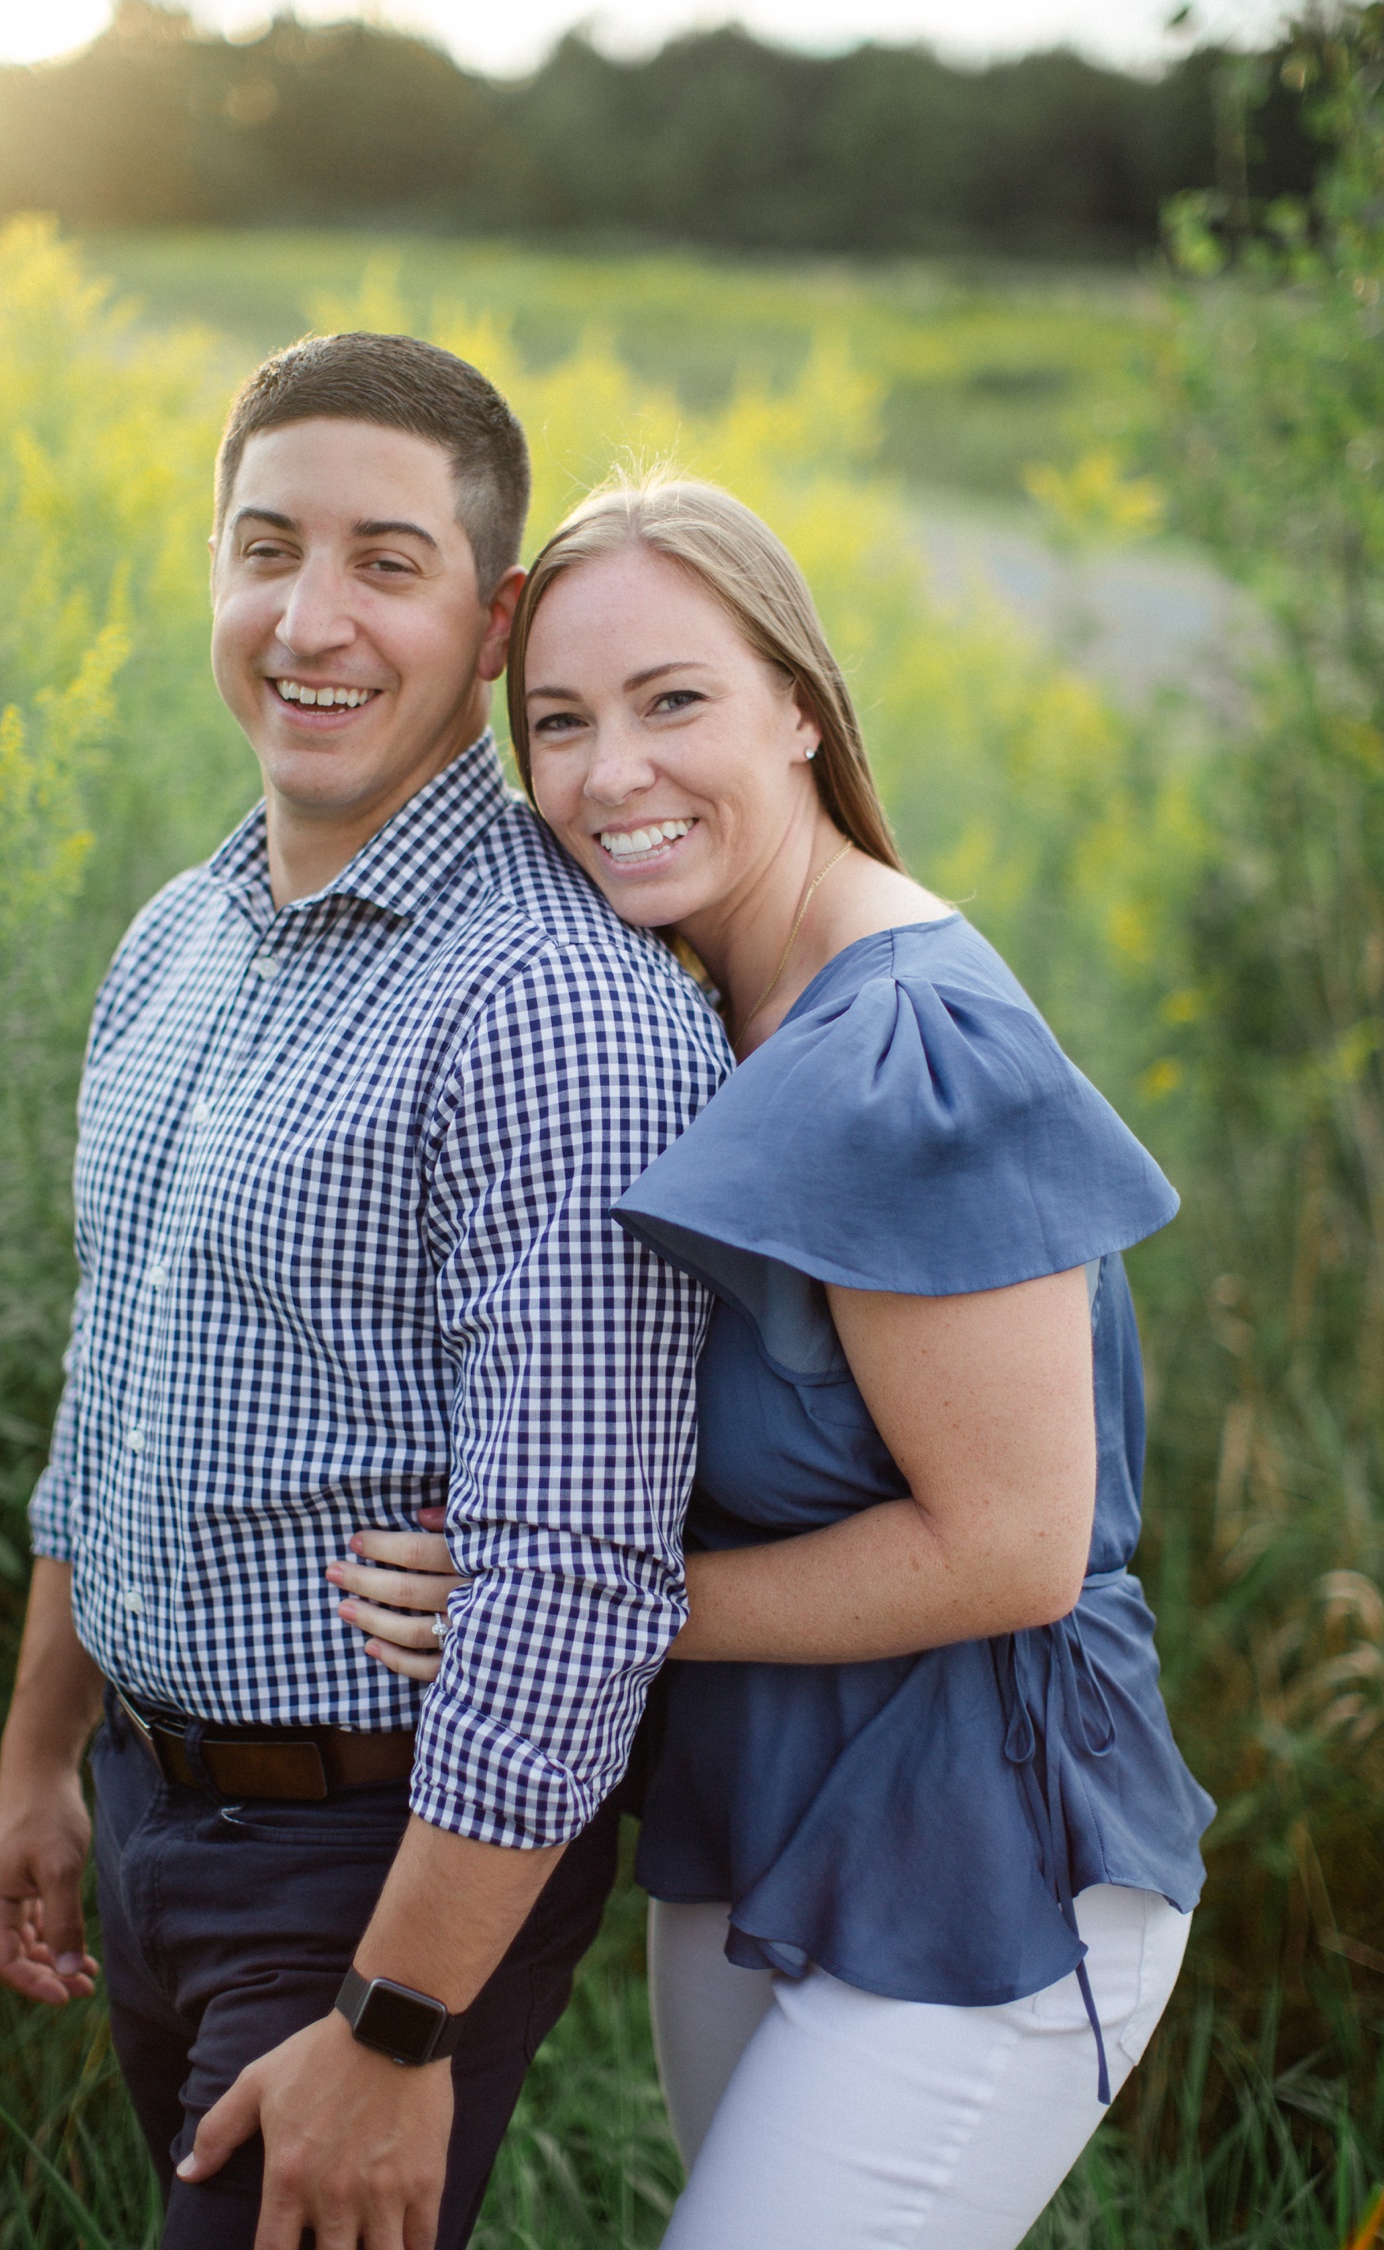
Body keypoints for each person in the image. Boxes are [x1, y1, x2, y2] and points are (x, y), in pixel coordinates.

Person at [333, 478, 1217, 2249]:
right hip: (759, 1813)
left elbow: (1015, 1546)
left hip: (992, 1850)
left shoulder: (905, 1044)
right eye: (560, 724)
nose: (609, 775)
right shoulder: (675, 1012)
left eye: (676, 702)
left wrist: (588, 1604)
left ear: (799, 704)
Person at [0, 343, 731, 2250]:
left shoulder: (554, 1012)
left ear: (492, 628)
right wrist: (42, 1760)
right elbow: (114, 1378)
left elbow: (575, 1573)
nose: (310, 619)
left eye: (388, 562)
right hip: (151, 1806)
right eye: (265, 547)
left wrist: (395, 2026)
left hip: (373, 1862)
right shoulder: (180, 934)